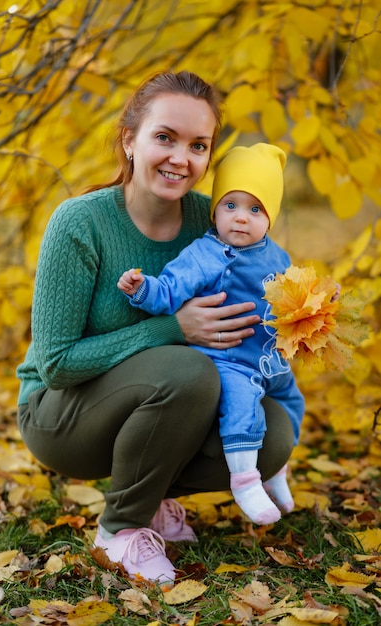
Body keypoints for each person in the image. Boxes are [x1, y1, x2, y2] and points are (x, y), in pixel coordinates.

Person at [16, 71, 295, 585]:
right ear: (130, 139)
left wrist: (299, 317)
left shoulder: (211, 220)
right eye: (164, 137)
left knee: (273, 431)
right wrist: (173, 328)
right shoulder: (80, 223)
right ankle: (120, 531)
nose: (180, 158)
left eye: (198, 145)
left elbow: (256, 293)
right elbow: (55, 366)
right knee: (187, 370)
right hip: (62, 416)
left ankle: (152, 493)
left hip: (159, 408)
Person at [118, 143, 305, 526]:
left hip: (270, 358)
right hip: (229, 359)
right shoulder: (206, 254)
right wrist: (143, 289)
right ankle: (245, 479)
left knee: (292, 403)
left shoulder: (277, 256)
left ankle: (276, 471)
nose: (240, 218)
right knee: (241, 410)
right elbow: (171, 289)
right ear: (215, 209)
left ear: (270, 217)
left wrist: (318, 303)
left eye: (255, 209)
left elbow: (296, 295)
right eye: (230, 205)